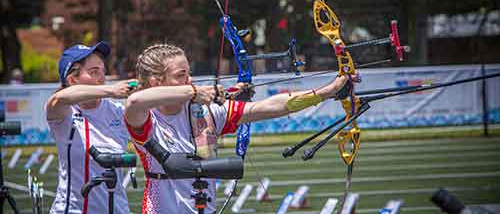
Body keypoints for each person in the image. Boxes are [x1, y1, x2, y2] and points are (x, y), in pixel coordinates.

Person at [124, 43, 353, 214]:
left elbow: (271, 106)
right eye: (180, 75)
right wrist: (194, 92)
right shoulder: (146, 118)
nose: (190, 79)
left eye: (189, 73)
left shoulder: (206, 111)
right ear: (156, 82)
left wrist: (328, 91)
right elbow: (134, 102)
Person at [45, 41, 137, 214]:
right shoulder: (63, 111)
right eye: (94, 72)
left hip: (117, 209)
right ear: (72, 79)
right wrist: (110, 91)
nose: (102, 78)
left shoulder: (117, 110)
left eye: (103, 71)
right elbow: (60, 98)